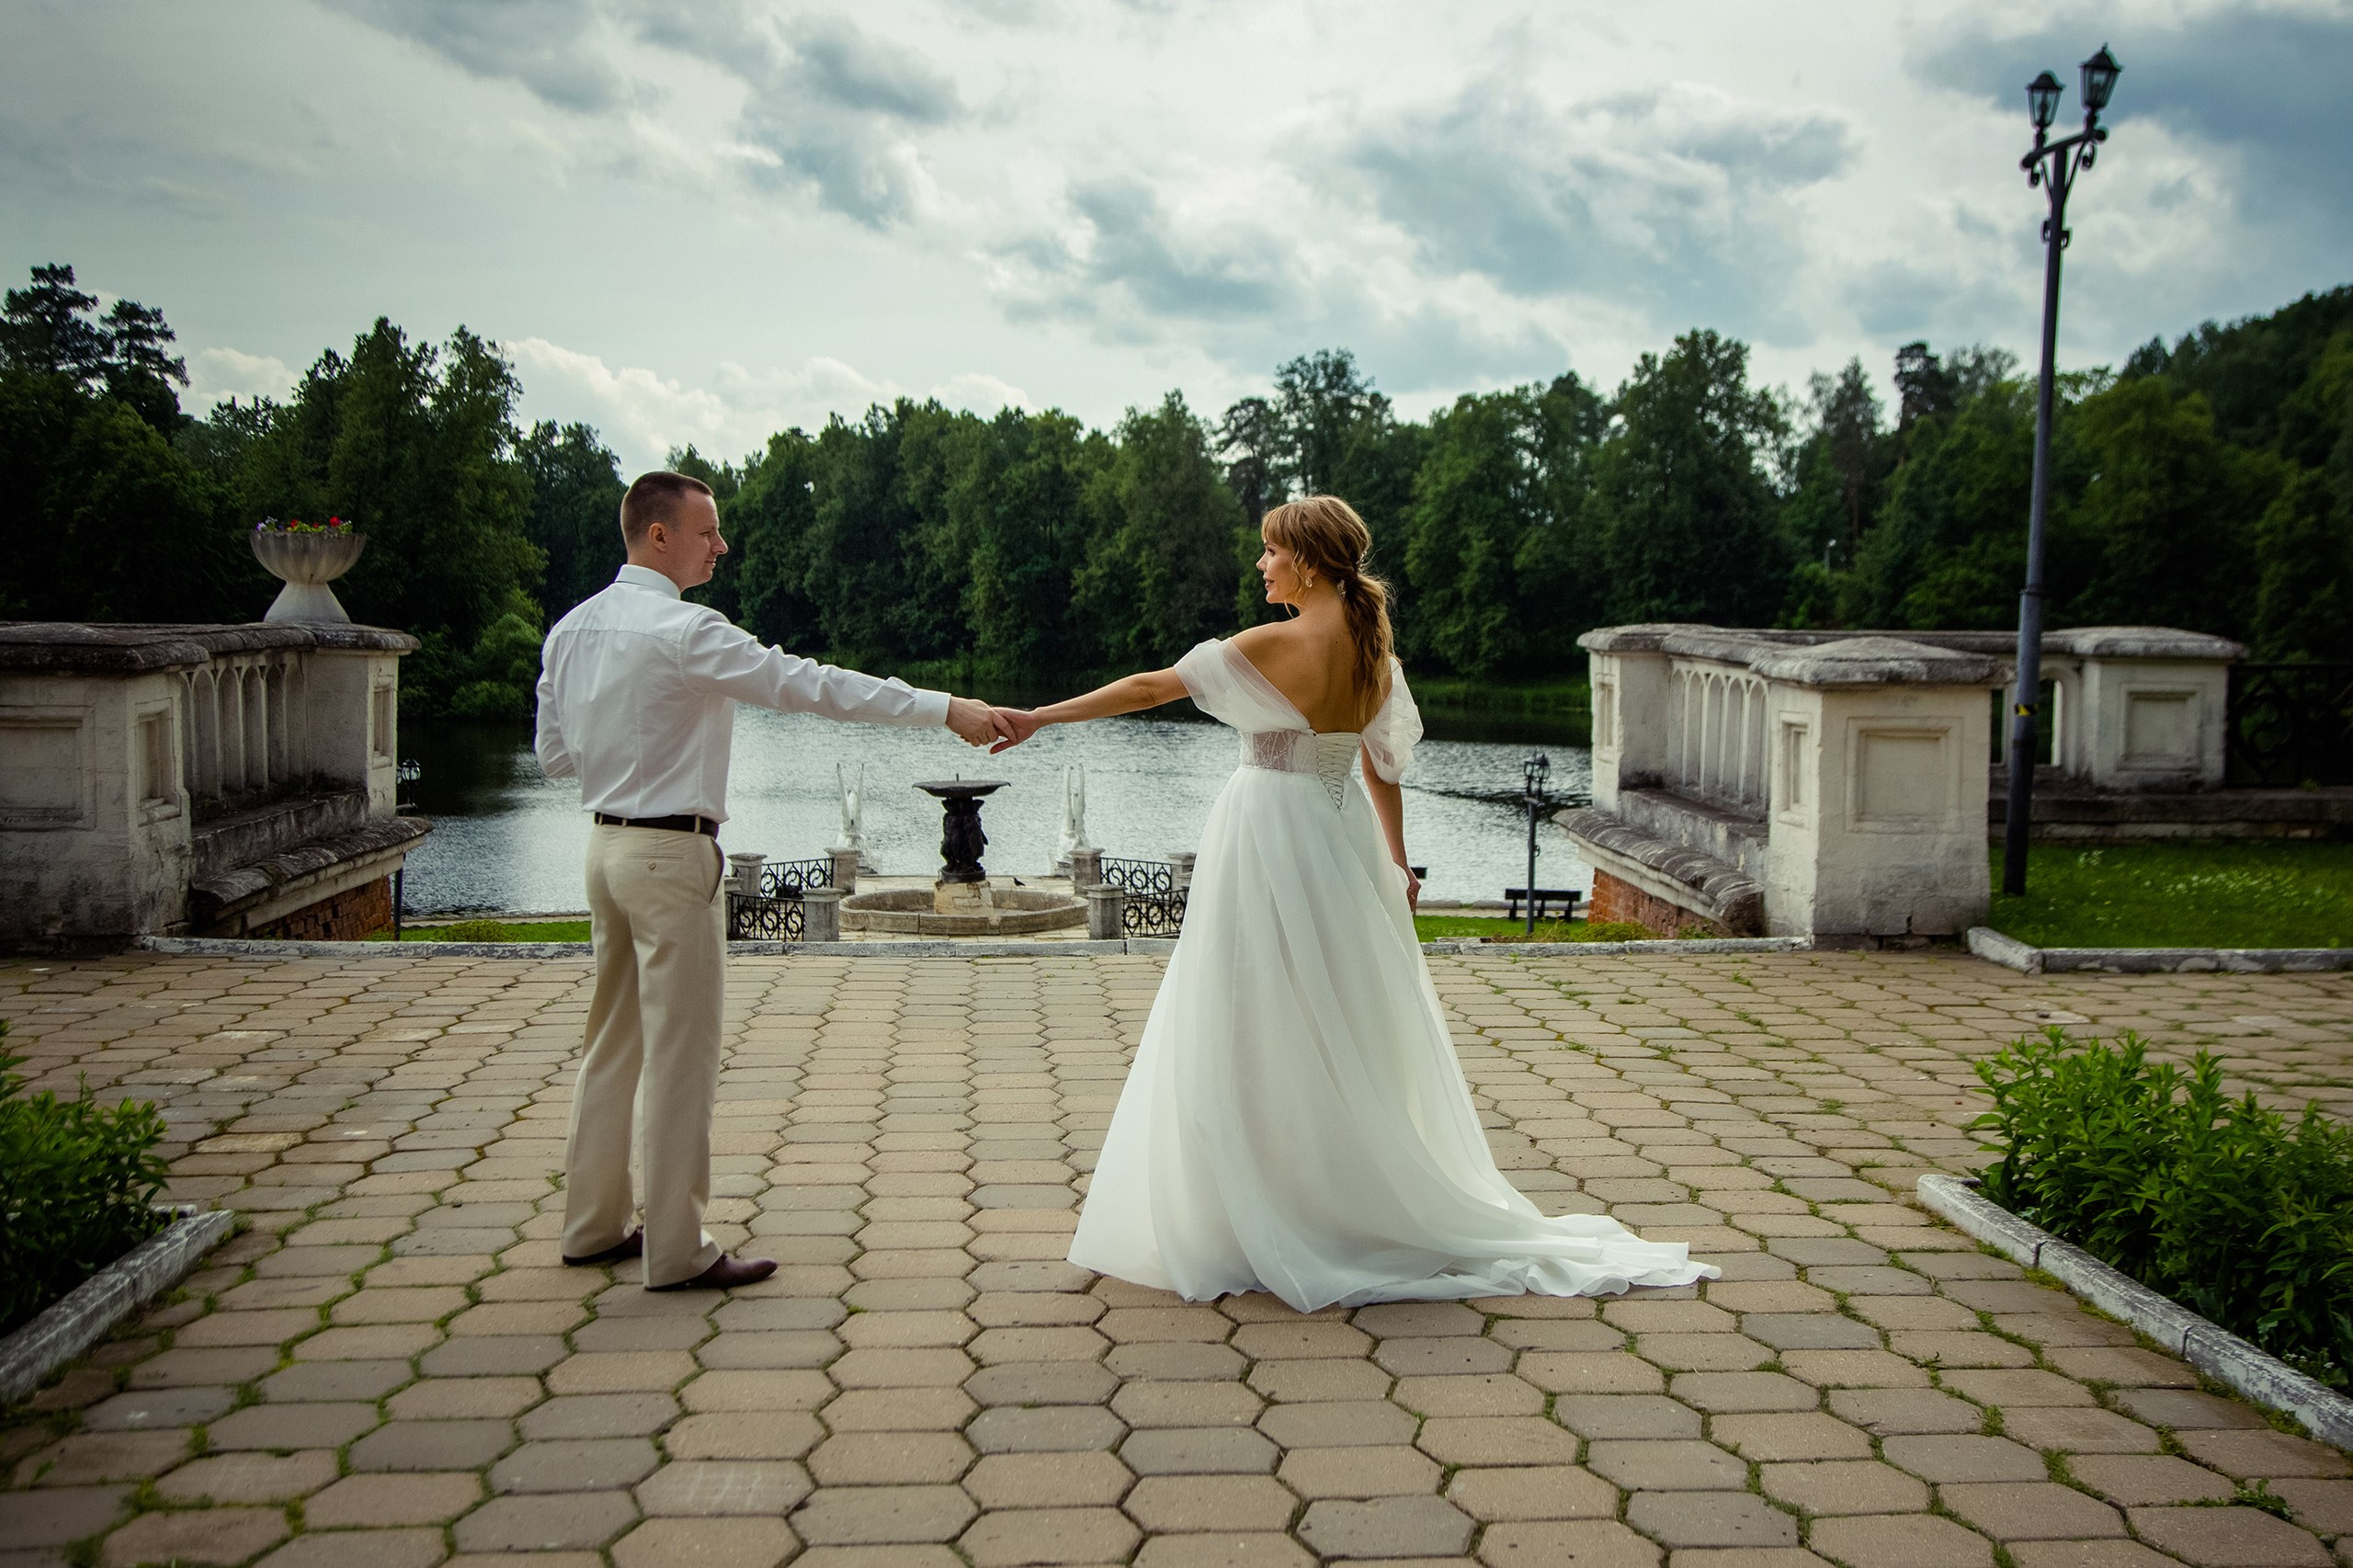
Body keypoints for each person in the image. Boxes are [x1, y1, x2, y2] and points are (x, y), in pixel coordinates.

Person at [991, 495, 1717, 1310]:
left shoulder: (1276, 641)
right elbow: (1380, 768)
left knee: (1251, 1008)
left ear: (1305, 559)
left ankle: (1268, 1204)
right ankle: (1331, 1189)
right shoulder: (1374, 646)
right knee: (1336, 1008)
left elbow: (1148, 687)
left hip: (1267, 827)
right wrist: (1398, 862)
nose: (1261, 565)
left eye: (1269, 552)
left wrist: (1037, 718)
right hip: (1340, 835)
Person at [535, 471, 1011, 1290]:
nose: (720, 545)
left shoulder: (571, 631)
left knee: (610, 1044)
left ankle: (591, 1226)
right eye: (707, 530)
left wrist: (625, 760)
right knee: (681, 1056)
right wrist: (944, 708)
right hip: (670, 854)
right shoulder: (686, 632)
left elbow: (554, 759)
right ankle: (678, 1250)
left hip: (604, 851)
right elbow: (811, 685)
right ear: (658, 536)